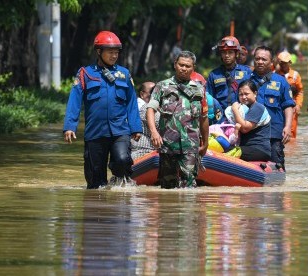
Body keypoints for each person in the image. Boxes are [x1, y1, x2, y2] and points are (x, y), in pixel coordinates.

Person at [63, 31, 142, 189]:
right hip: (95, 132)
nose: (114, 56)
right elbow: (75, 100)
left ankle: (120, 187)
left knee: (121, 160)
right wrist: (70, 126)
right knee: (95, 181)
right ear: (99, 52)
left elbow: (132, 103)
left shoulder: (124, 74)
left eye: (116, 52)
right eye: (110, 52)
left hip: (120, 130)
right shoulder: (85, 73)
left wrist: (135, 127)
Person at [146, 51, 209, 189]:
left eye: (188, 66)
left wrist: (206, 142)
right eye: (181, 65)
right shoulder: (162, 86)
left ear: (193, 68)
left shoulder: (200, 89)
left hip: (190, 144)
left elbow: (203, 117)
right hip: (168, 143)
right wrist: (154, 132)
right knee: (167, 186)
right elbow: (150, 109)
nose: (184, 68)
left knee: (189, 185)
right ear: (175, 65)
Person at [250, 46, 295, 170]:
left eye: (264, 59)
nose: (260, 61)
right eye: (257, 58)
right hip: (250, 134)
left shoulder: (281, 82)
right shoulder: (246, 80)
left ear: (271, 62)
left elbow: (288, 106)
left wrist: (288, 126)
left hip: (274, 134)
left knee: (278, 169)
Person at [206, 36, 252, 120]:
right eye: (224, 52)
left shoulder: (247, 72)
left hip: (241, 118)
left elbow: (253, 97)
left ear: (237, 54)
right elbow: (209, 98)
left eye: (230, 52)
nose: (227, 55)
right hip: (219, 119)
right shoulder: (214, 74)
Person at [231, 80, 271, 161]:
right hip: (246, 147)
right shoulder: (242, 109)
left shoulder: (258, 107)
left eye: (246, 94)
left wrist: (234, 109)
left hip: (259, 149)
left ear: (255, 94)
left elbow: (244, 128)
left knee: (230, 152)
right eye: (241, 94)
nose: (243, 97)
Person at [275, 51, 304, 138]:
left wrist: (298, 105)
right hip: (278, 107)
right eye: (281, 62)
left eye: (285, 63)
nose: (283, 65)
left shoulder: (295, 75)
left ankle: (291, 151)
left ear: (290, 63)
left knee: (291, 133)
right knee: (277, 131)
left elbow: (300, 91)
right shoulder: (274, 74)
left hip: (292, 107)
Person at [131, 81, 156, 160]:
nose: (156, 94)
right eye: (152, 91)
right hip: (143, 152)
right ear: (142, 94)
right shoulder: (141, 107)